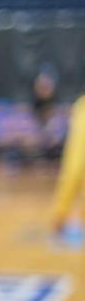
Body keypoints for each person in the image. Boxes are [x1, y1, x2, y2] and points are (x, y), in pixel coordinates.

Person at [51, 93, 85, 237]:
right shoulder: (81, 105)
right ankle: (59, 220)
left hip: (76, 156)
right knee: (69, 181)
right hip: (76, 156)